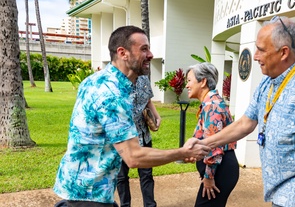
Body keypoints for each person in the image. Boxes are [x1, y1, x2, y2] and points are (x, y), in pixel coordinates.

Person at [185, 16, 295, 207]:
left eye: (261, 49)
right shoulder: (269, 81)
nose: (255, 56)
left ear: (283, 52)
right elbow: (246, 123)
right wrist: (204, 143)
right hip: (281, 191)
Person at [53, 25, 210, 207]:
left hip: (78, 187)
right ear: (123, 53)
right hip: (89, 195)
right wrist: (183, 153)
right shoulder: (111, 94)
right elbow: (134, 157)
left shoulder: (96, 80)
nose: (150, 54)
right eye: (144, 49)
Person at [185, 62, 239, 207]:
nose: (187, 85)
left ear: (202, 82)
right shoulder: (211, 103)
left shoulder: (212, 106)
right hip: (221, 168)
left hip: (220, 170)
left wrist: (209, 177)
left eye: (189, 80)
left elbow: (214, 146)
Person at [117, 75, 160, 207]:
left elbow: (148, 101)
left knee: (146, 175)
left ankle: (150, 205)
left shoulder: (143, 79)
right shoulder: (116, 79)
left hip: (143, 135)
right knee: (121, 177)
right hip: (122, 138)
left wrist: (156, 116)